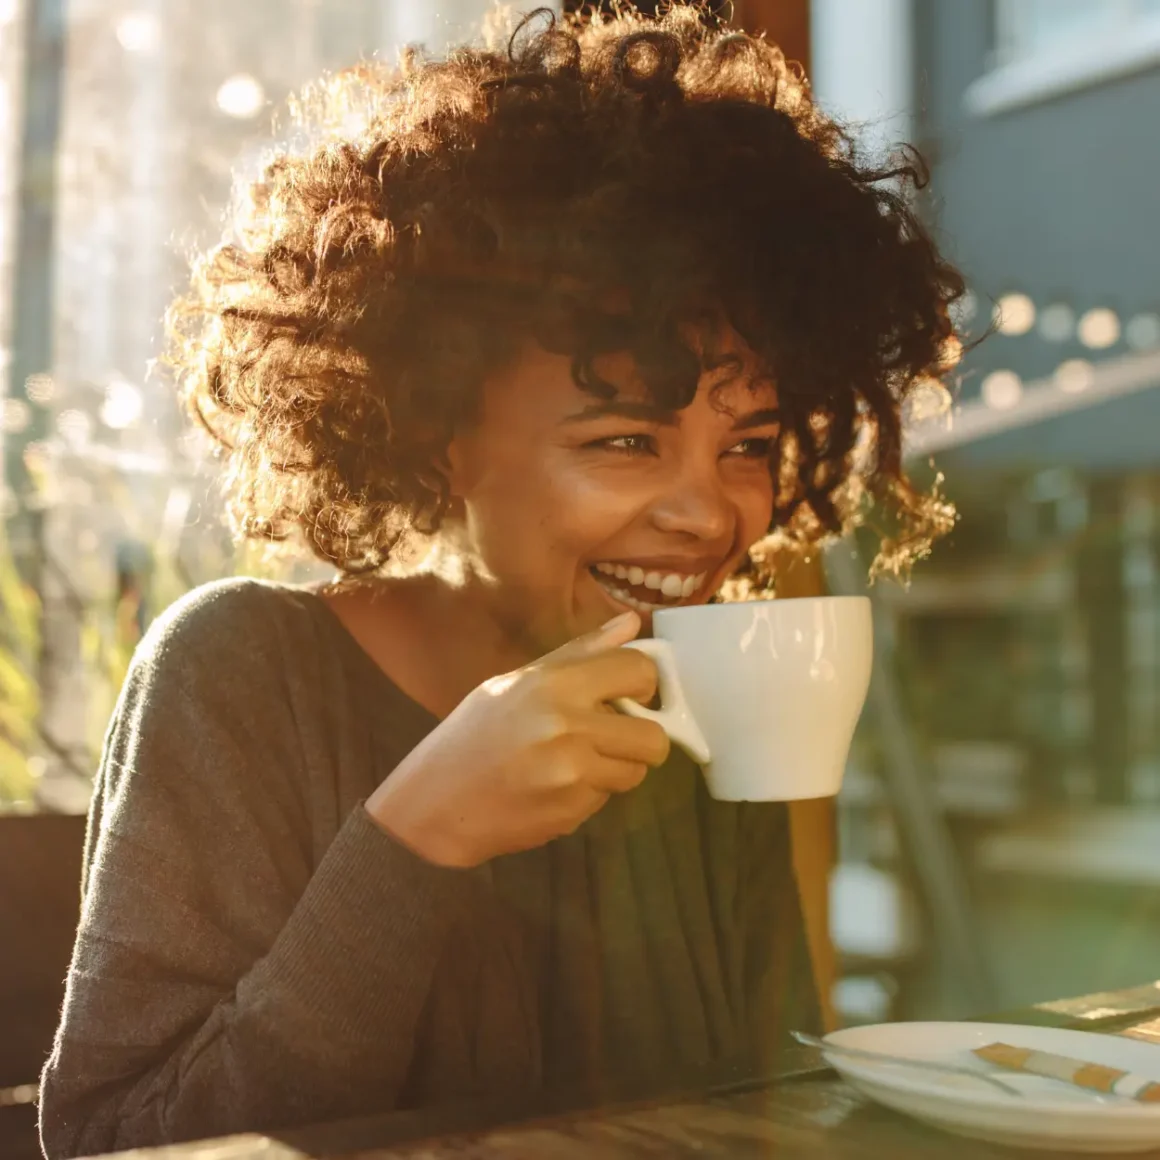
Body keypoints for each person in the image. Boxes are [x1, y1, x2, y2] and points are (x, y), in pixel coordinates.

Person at [39, 5, 962, 1156]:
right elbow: (109, 1138)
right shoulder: (241, 670)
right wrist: (414, 836)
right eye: (625, 440)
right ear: (435, 434)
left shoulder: (697, 693)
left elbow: (756, 1109)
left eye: (748, 443)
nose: (709, 511)